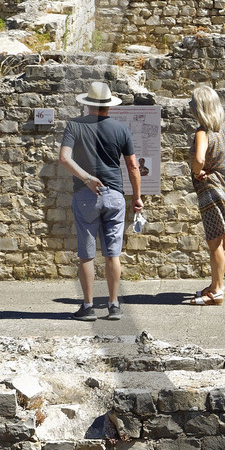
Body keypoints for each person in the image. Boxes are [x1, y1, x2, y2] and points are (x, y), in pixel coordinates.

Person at [59, 81, 142, 321]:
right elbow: (133, 166)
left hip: (86, 195)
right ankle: (114, 304)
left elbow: (64, 159)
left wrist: (87, 179)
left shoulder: (74, 125)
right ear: (108, 106)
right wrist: (136, 197)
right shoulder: (121, 128)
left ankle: (87, 307)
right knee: (112, 254)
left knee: (86, 255)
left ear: (87, 105)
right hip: (115, 195)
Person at [187, 85, 225, 307]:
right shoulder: (224, 129)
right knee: (223, 239)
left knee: (214, 242)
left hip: (211, 191)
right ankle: (217, 284)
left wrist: (197, 172)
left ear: (200, 107)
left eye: (192, 103)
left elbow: (199, 159)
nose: (189, 106)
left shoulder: (203, 132)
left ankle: (216, 291)